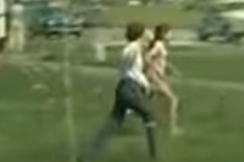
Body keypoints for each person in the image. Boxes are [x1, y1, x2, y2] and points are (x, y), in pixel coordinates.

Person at [78, 22, 157, 161]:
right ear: (140, 34)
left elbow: (135, 70)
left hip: (124, 88)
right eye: (144, 31)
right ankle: (154, 156)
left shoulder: (137, 48)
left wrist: (146, 85)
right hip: (130, 88)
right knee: (149, 115)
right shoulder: (132, 48)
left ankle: (88, 155)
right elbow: (129, 56)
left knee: (113, 123)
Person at [146, 23, 182, 137]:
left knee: (150, 98)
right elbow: (148, 57)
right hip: (154, 77)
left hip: (155, 76)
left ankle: (148, 121)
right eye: (169, 33)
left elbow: (161, 60)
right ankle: (173, 129)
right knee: (173, 100)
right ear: (163, 34)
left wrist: (172, 69)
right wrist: (155, 71)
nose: (171, 35)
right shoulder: (159, 45)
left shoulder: (160, 45)